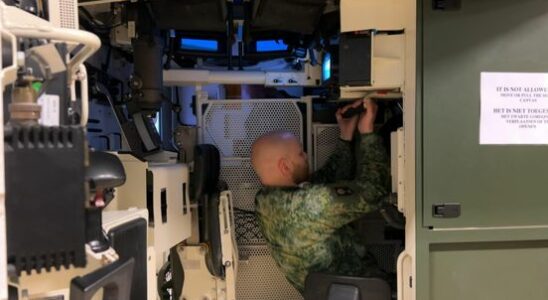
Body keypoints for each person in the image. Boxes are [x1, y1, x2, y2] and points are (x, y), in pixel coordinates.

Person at [250, 98, 390, 294]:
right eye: (300, 154)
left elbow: (322, 185)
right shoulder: (307, 205)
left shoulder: (265, 199)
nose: (306, 156)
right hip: (367, 291)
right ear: (285, 166)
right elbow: (374, 191)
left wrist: (346, 135)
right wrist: (367, 133)